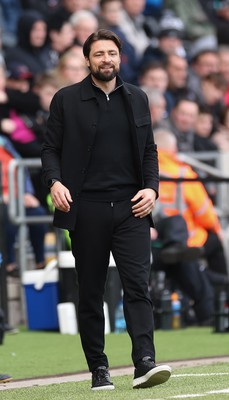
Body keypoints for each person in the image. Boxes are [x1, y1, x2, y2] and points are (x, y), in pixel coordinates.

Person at [41, 29, 171, 391]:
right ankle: (99, 368)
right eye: (98, 54)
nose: (106, 60)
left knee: (137, 286)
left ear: (120, 57)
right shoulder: (66, 100)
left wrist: (151, 188)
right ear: (87, 60)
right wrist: (55, 182)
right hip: (87, 210)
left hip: (132, 208)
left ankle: (144, 361)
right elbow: (49, 148)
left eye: (111, 53)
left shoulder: (137, 98)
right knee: (92, 292)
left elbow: (149, 150)